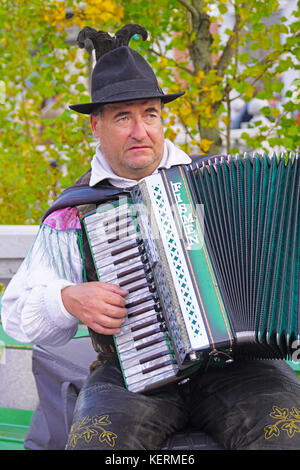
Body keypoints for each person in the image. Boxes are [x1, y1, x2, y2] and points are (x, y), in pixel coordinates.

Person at [2, 24, 300, 451]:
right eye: (123, 116)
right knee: (96, 444)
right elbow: (16, 314)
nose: (140, 130)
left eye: (150, 113)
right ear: (95, 125)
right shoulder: (78, 209)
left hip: (242, 366)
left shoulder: (225, 186)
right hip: (131, 369)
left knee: (287, 435)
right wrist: (66, 298)